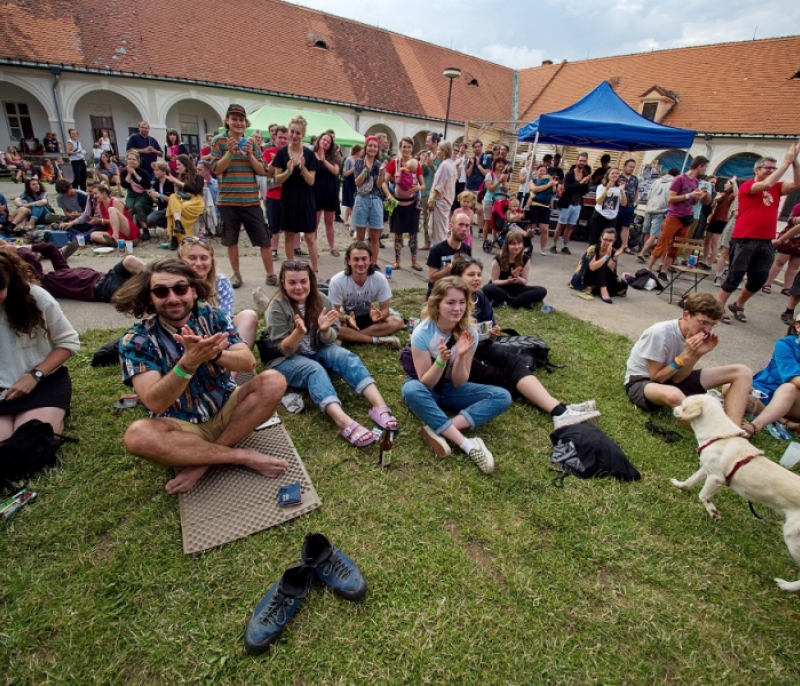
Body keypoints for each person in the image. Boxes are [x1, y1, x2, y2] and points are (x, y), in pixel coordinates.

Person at [114, 259, 288, 495]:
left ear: (193, 290)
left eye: (180, 288)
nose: (173, 298)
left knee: (274, 381)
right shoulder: (136, 340)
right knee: (137, 437)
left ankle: (203, 461)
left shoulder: (212, 316)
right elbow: (154, 401)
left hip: (226, 406)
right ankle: (238, 455)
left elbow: (247, 361)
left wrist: (213, 354)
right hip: (180, 426)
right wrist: (187, 364)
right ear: (149, 298)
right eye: (161, 291)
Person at [451, 254, 599, 428]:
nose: (476, 278)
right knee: (500, 376)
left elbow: (490, 326)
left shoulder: (480, 298)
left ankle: (560, 409)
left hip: (483, 347)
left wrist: (493, 331)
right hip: (461, 355)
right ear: (458, 278)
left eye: (478, 274)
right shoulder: (453, 300)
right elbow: (446, 333)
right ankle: (560, 410)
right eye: (470, 275)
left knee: (514, 362)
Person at [264, 260, 398, 448]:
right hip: (285, 360)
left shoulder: (321, 300)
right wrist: (298, 333)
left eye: (303, 281)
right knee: (314, 369)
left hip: (316, 349)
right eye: (292, 282)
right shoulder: (277, 307)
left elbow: (329, 338)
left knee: (345, 356)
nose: (299, 287)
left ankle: (378, 405)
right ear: (283, 283)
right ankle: (343, 422)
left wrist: (325, 330)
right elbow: (284, 349)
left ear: (311, 280)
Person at [401, 276, 512, 474]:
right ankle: (467, 444)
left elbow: (460, 381)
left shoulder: (470, 332)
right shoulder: (423, 332)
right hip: (429, 389)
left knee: (502, 396)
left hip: (452, 389)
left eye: (462, 302)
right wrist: (441, 360)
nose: (457, 308)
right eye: (450, 302)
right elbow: (426, 382)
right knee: (411, 390)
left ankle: (439, 429)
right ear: (437, 304)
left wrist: (460, 357)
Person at [624, 292, 752, 423]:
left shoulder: (696, 335)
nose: (707, 330)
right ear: (686, 315)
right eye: (703, 322)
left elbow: (678, 378)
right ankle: (715, 433)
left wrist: (696, 354)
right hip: (643, 383)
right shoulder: (659, 333)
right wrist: (685, 355)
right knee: (674, 395)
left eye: (712, 325)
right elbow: (657, 377)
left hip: (671, 380)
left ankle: (734, 428)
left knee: (742, 372)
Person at [0, 250, 80, 442]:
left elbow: (68, 342)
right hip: (3, 389)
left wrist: (35, 376)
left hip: (42, 382)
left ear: (9, 280)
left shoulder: (37, 298)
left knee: (31, 441)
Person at [718, 143, 800, 325]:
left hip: (766, 241)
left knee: (759, 279)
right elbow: (767, 183)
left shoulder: (777, 188)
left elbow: (797, 183)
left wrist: (794, 162)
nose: (771, 171)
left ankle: (738, 304)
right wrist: (787, 161)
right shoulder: (748, 185)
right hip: (745, 239)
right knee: (735, 276)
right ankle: (719, 306)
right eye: (767, 168)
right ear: (757, 169)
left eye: (773, 168)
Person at [211, 104, 277, 288]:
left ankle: (270, 274)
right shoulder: (218, 141)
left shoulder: (252, 143)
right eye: (234, 119)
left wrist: (249, 155)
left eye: (241, 119)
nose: (238, 123)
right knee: (231, 240)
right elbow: (216, 169)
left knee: (264, 239)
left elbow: (263, 171)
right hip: (227, 201)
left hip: (250, 200)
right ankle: (237, 274)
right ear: (227, 121)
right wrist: (230, 154)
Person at [177, 237, 259, 352]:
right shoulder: (173, 285)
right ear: (181, 260)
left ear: (211, 260)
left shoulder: (221, 281)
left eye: (204, 258)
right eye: (192, 258)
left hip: (217, 332)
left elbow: (226, 319)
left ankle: (236, 367)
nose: (198, 263)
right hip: (185, 334)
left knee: (249, 315)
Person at [5, 239, 144, 302]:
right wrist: (17, 250)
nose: (36, 258)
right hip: (102, 289)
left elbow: (50, 248)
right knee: (146, 291)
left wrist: (27, 246)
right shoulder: (43, 282)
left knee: (130, 260)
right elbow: (27, 256)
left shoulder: (59, 272)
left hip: (108, 276)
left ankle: (163, 275)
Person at [328, 241, 405, 348]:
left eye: (364, 259)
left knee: (398, 321)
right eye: (356, 259)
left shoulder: (379, 278)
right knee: (332, 327)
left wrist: (379, 316)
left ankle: (351, 338)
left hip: (369, 318)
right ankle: (376, 340)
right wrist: (346, 318)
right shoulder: (337, 281)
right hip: (348, 318)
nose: (360, 263)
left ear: (370, 260)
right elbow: (334, 313)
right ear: (348, 261)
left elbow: (385, 310)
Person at [646, 156, 710, 280]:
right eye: (705, 167)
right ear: (699, 166)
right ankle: (648, 268)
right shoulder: (679, 179)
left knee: (677, 246)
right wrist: (688, 195)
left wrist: (697, 197)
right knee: (663, 242)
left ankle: (664, 270)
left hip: (687, 217)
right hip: (674, 216)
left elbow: (693, 202)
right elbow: (670, 198)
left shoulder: (696, 181)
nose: (705, 170)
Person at [271, 115, 320, 272]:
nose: (294, 135)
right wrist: (288, 171)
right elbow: (278, 179)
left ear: (303, 134)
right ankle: (290, 269)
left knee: (310, 237)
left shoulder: (310, 155)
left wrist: (303, 169)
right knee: (289, 236)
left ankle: (315, 271)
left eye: (298, 133)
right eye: (292, 131)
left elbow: (311, 181)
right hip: (288, 200)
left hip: (306, 200)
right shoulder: (282, 153)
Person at [748, 314, 800, 436]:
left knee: (789, 388)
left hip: (793, 398)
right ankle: (782, 420)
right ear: (798, 326)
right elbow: (793, 378)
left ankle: (755, 426)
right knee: (730, 387)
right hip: (768, 389)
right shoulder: (785, 345)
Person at [382, 137, 424, 271]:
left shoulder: (416, 164)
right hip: (397, 206)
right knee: (398, 235)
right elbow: (384, 182)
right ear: (400, 148)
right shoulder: (394, 163)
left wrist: (418, 188)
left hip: (412, 206)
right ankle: (397, 262)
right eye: (404, 147)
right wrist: (389, 195)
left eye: (409, 147)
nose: (406, 149)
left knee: (413, 235)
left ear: (412, 149)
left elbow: (423, 185)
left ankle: (414, 261)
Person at [483, 229, 547, 308]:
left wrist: (517, 277)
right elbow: (494, 281)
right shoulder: (498, 259)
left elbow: (524, 281)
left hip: (517, 289)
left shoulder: (525, 259)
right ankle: (520, 302)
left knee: (541, 290)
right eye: (513, 244)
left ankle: (508, 302)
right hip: (501, 288)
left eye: (519, 243)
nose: (517, 247)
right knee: (488, 288)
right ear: (507, 245)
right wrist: (508, 281)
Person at [349, 135, 384, 265]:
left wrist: (381, 173)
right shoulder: (359, 161)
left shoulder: (379, 164)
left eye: (375, 146)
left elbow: (379, 186)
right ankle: (359, 262)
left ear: (377, 148)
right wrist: (365, 170)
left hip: (375, 200)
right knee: (360, 237)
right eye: (370, 145)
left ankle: (373, 264)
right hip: (362, 199)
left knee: (375, 237)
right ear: (366, 146)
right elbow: (357, 183)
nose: (372, 148)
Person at [569, 228, 628, 303]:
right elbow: (592, 267)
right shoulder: (593, 248)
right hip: (587, 276)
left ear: (614, 240)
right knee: (601, 265)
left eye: (610, 240)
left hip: (603, 277)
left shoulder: (613, 251)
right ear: (601, 238)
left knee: (623, 285)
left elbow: (610, 271)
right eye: (605, 239)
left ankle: (600, 288)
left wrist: (614, 257)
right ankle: (603, 291)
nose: (607, 242)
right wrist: (606, 256)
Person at [550, 152, 592, 255]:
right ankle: (554, 244)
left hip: (577, 203)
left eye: (584, 161)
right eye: (580, 160)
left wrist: (585, 184)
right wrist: (581, 183)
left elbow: (585, 191)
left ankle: (565, 245)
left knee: (570, 226)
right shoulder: (570, 174)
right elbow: (568, 189)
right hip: (567, 203)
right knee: (561, 225)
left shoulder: (585, 174)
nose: (582, 162)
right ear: (577, 161)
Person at [636, 168, 678, 263]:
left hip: (649, 208)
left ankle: (645, 251)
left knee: (647, 232)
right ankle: (642, 253)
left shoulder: (657, 181)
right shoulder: (673, 183)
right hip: (661, 210)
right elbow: (670, 198)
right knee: (654, 234)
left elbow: (649, 194)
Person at [427, 210, 472, 297]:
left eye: (467, 226)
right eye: (460, 224)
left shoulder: (466, 249)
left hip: (459, 291)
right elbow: (432, 278)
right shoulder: (437, 249)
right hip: (439, 292)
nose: (464, 229)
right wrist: (452, 265)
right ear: (451, 226)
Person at [165, 154, 205, 247]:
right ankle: (178, 225)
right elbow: (177, 194)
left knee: (178, 209)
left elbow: (196, 190)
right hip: (182, 200)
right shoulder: (180, 177)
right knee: (173, 198)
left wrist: (177, 182)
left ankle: (177, 238)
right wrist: (175, 185)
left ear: (186, 165)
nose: (177, 167)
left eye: (179, 165)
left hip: (195, 201)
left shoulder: (198, 176)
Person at [313, 132, 342, 257]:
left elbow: (335, 171)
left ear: (331, 145)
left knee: (329, 222)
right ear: (319, 140)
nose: (325, 142)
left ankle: (332, 247)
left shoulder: (333, 156)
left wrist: (324, 160)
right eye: (323, 140)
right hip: (316, 193)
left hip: (330, 193)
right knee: (314, 222)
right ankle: (313, 248)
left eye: (328, 142)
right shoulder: (312, 155)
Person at [702, 177, 738, 271]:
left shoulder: (731, 196)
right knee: (707, 241)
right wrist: (715, 200)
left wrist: (733, 182)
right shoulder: (721, 194)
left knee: (714, 243)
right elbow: (712, 206)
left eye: (727, 183)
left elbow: (736, 193)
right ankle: (704, 260)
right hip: (714, 218)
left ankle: (709, 264)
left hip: (722, 221)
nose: (725, 185)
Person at [263, 126, 288, 257]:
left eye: (285, 138)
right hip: (273, 193)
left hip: (289, 195)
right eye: (280, 137)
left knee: (291, 225)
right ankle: (274, 250)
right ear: (275, 138)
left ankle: (295, 248)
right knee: (274, 224)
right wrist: (276, 158)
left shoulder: (292, 153)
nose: (283, 140)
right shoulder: (268, 152)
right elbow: (267, 172)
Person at [428, 141, 458, 246]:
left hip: (440, 201)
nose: (437, 152)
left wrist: (432, 200)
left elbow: (439, 186)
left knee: (438, 230)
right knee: (442, 229)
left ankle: (438, 253)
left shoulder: (445, 165)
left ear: (444, 151)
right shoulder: (451, 165)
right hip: (446, 201)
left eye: (439, 150)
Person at [588, 167, 626, 245]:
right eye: (612, 173)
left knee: (608, 241)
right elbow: (599, 201)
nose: (615, 175)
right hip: (599, 215)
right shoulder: (601, 187)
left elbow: (624, 203)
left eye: (617, 173)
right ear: (608, 175)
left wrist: (622, 191)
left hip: (612, 217)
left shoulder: (619, 188)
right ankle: (591, 255)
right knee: (594, 239)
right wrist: (607, 189)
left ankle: (605, 256)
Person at [119, 150, 153, 237]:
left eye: (134, 159)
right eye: (129, 159)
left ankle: (145, 230)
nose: (131, 161)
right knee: (129, 209)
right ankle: (131, 230)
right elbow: (124, 185)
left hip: (143, 194)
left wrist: (134, 173)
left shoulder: (142, 172)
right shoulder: (123, 172)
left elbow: (146, 185)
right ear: (126, 160)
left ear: (138, 162)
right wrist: (129, 174)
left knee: (138, 206)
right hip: (131, 194)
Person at [525, 164, 556, 255]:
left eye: (544, 171)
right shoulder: (533, 180)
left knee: (545, 229)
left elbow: (554, 191)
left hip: (545, 207)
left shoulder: (549, 180)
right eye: (540, 170)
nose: (542, 172)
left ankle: (543, 248)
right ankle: (527, 245)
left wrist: (552, 183)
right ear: (537, 171)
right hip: (534, 206)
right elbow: (534, 189)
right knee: (531, 228)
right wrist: (547, 185)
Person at [482, 157, 509, 244]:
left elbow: (505, 190)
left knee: (497, 221)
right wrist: (499, 182)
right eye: (498, 163)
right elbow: (490, 189)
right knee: (488, 221)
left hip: (500, 202)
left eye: (502, 163)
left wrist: (504, 182)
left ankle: (495, 240)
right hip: (489, 200)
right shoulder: (489, 175)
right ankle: (485, 240)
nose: (500, 165)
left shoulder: (504, 175)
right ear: (494, 164)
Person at [616, 159, 639, 253]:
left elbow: (637, 191)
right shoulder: (619, 177)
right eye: (630, 167)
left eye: (633, 167)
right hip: (618, 205)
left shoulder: (635, 179)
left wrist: (635, 202)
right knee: (615, 225)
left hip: (629, 207)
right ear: (625, 166)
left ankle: (624, 245)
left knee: (626, 227)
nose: (632, 169)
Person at [145, 161, 175, 232]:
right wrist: (152, 197)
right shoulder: (156, 184)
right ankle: (167, 225)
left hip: (172, 209)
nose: (154, 171)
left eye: (157, 170)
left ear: (164, 172)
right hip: (162, 209)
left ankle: (170, 225)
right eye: (154, 169)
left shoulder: (170, 183)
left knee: (151, 218)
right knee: (149, 219)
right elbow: (159, 202)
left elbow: (173, 200)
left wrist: (159, 195)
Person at [341, 144, 362, 231]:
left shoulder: (359, 160)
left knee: (352, 202)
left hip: (355, 182)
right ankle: (353, 221)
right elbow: (345, 173)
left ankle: (346, 220)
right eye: (361, 151)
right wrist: (354, 168)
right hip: (349, 182)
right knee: (350, 202)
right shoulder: (349, 160)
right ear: (357, 151)